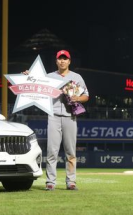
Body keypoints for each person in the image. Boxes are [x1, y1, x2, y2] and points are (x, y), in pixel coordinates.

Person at [24, 50, 89, 191]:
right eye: (60, 58)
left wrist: (77, 98)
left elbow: (86, 95)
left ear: (69, 61)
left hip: (70, 116)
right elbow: (36, 83)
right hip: (53, 116)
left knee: (70, 151)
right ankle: (50, 182)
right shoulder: (50, 76)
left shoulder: (76, 77)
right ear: (56, 61)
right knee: (52, 151)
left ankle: (71, 182)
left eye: (65, 59)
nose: (62, 61)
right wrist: (28, 77)